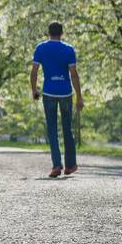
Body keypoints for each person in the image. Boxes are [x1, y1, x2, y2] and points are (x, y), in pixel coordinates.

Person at [30, 21, 84, 177]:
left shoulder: (41, 48)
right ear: (62, 33)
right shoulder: (68, 49)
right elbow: (74, 74)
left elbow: (34, 72)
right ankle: (71, 165)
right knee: (67, 129)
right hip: (66, 93)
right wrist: (79, 97)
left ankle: (56, 166)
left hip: (48, 92)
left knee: (52, 129)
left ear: (48, 32)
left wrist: (34, 90)